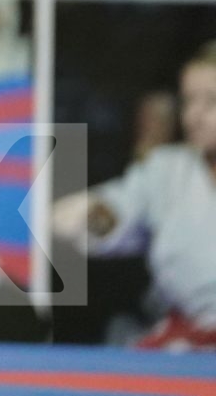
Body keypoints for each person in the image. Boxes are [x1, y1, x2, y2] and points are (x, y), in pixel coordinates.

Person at [53, 49, 216, 350]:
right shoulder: (168, 170)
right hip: (187, 350)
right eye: (189, 101)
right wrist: (91, 214)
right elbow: (118, 211)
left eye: (210, 102)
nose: (194, 115)